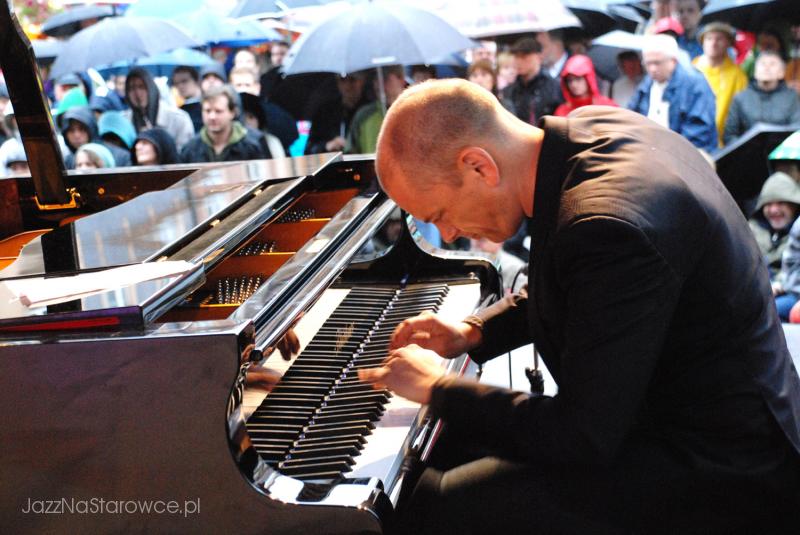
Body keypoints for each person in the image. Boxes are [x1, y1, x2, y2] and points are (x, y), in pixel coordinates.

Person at [360, 78, 800, 533]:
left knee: (430, 505)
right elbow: (586, 287)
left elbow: (582, 436)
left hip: (724, 465)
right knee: (449, 451)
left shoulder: (607, 224)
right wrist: (474, 331)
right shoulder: (589, 133)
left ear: (479, 166)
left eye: (439, 216)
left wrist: (439, 388)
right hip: (687, 413)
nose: (450, 234)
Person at [628, 34, 718, 153]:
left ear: (673, 61)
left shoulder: (696, 84)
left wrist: (668, 153)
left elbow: (698, 132)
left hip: (688, 156)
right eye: (648, 63)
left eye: (657, 63)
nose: (652, 69)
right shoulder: (647, 83)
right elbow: (631, 116)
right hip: (651, 152)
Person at [724, 51, 800, 145]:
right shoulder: (740, 98)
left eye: (772, 64)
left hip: (782, 151)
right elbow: (729, 134)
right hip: (747, 151)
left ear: (781, 73)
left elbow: (797, 130)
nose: (766, 68)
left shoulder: (791, 98)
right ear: (755, 72)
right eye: (762, 64)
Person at [693, 22, 748, 146]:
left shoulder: (737, 75)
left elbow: (741, 110)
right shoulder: (692, 69)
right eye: (709, 38)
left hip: (725, 142)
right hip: (693, 137)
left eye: (719, 39)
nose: (713, 43)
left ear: (728, 43)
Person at [179, 84, 266, 163]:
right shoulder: (190, 149)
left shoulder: (254, 145)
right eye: (207, 111)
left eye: (218, 111)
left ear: (232, 112)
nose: (212, 117)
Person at [228, 66, 298, 153]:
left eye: (247, 85)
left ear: (257, 87)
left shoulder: (273, 112)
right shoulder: (225, 111)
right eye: (238, 85)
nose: (243, 89)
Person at [123, 67, 195, 151]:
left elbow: (185, 153)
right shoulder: (124, 121)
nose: (137, 93)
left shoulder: (178, 119)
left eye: (141, 87)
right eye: (131, 88)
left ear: (151, 88)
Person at [748, 171, 800, 283]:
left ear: (795, 204)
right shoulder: (751, 232)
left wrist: (780, 283)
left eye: (780, 203)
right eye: (768, 204)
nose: (774, 210)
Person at [500, 37, 563, 125]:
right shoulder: (508, 91)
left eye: (524, 56)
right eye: (516, 56)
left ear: (539, 57)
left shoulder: (555, 87)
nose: (518, 61)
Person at [346, 65, 408, 154]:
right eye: (375, 79)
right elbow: (350, 152)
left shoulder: (414, 112)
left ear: (401, 79)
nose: (378, 85)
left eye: (385, 78)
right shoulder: (364, 115)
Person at [304, 72, 370, 155]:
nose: (347, 86)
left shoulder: (371, 112)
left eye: (352, 80)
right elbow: (309, 149)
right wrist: (327, 146)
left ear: (362, 81)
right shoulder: (325, 112)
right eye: (342, 80)